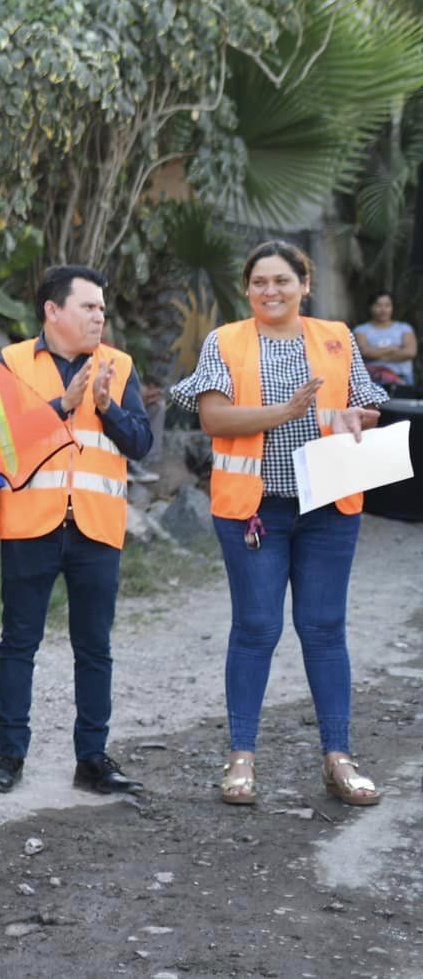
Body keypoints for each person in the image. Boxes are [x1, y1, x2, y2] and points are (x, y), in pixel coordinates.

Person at [170, 241, 386, 808]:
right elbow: (212, 416)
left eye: (282, 281)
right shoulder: (225, 341)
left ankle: (338, 757)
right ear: (248, 289)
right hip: (255, 509)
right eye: (260, 281)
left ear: (304, 284)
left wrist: (354, 417)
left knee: (323, 628)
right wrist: (282, 414)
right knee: (257, 627)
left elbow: (367, 403)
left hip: (329, 507)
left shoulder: (336, 336)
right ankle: (241, 757)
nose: (271, 290)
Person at [0, 264, 152, 797]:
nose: (100, 316)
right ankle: (10, 754)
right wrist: (62, 406)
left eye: (103, 308)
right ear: (53, 311)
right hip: (30, 523)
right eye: (89, 307)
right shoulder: (7, 364)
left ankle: (93, 759)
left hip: (96, 528)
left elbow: (142, 443)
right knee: (18, 644)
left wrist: (105, 407)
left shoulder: (119, 366)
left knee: (94, 647)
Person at [352, 292, 414, 394]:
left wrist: (377, 355)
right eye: (378, 305)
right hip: (372, 380)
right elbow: (364, 352)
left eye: (387, 305)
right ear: (370, 307)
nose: (383, 309)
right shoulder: (361, 330)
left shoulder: (404, 328)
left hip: (402, 378)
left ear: (392, 307)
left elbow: (410, 352)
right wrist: (393, 349)